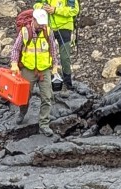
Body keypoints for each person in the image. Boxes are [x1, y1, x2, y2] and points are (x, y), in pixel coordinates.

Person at [9, 7, 60, 136]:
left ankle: (44, 123)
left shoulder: (48, 31)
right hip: (29, 69)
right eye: (40, 23)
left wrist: (55, 66)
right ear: (34, 20)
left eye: (44, 23)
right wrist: (14, 64)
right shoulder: (25, 32)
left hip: (44, 70)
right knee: (25, 96)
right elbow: (15, 49)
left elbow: (53, 49)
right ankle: (22, 112)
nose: (42, 26)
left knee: (47, 97)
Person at [36, 0, 79, 90]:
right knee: (45, 54)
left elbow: (74, 9)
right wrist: (42, 7)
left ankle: (67, 83)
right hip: (48, 27)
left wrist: (55, 10)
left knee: (64, 57)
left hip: (65, 27)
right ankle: (45, 80)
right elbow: (36, 5)